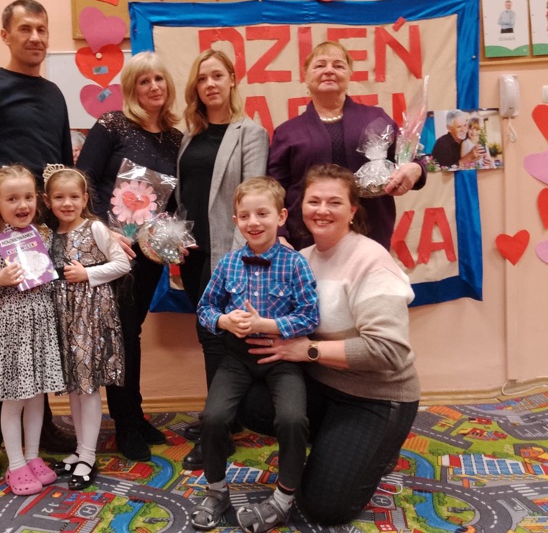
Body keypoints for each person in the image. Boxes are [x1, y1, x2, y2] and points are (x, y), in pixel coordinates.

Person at [244, 164, 420, 526]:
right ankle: (338, 446)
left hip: (375, 397)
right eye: (314, 201)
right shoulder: (303, 259)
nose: (322, 210)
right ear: (301, 206)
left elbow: (389, 352)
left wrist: (308, 350)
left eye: (334, 202)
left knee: (325, 509)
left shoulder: (371, 261)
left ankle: (375, 448)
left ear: (353, 210)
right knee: (242, 398)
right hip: (323, 387)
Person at [0, 0, 75, 488]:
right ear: (6, 35)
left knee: (41, 329)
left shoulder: (54, 95)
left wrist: (70, 222)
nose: (36, 37)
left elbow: (63, 165)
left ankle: (38, 430)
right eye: (25, 28)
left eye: (42, 29)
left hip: (44, 231)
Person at [190, 176, 319, 532]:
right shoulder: (228, 264)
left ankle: (283, 498)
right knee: (213, 417)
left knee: (292, 419)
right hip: (237, 358)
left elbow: (310, 315)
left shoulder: (295, 264)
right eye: (245, 216)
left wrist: (268, 325)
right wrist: (224, 320)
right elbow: (205, 309)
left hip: (281, 357)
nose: (254, 222)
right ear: (235, 221)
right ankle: (217, 491)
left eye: (263, 213)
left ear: (281, 216)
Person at [76, 51, 183, 462]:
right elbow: (83, 182)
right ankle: (125, 423)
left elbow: (174, 200)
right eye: (144, 80)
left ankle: (133, 415)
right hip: (109, 251)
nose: (153, 86)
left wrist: (173, 238)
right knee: (118, 336)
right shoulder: (112, 125)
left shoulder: (175, 138)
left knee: (130, 333)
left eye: (159, 79)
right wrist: (106, 233)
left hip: (148, 255)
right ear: (131, 88)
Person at [176, 49, 269, 470]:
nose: (210, 84)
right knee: (208, 335)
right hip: (193, 252)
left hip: (227, 253)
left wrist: (236, 260)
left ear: (232, 79)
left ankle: (221, 432)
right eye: (202, 78)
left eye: (217, 75)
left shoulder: (251, 132)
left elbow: (253, 199)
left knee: (219, 338)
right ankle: (223, 417)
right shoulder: (190, 134)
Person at [267, 40, 426, 251]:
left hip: (371, 233)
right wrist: (280, 234)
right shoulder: (287, 132)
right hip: (305, 238)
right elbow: (274, 190)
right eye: (320, 65)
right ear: (305, 76)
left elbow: (411, 158)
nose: (329, 71)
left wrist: (416, 169)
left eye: (338, 65)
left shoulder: (376, 119)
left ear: (350, 74)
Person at [0, 165, 66, 496]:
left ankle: (33, 456)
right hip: (11, 330)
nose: (22, 205)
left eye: (28, 197)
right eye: (12, 199)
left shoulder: (44, 235)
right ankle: (16, 464)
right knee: (14, 399)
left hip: (41, 326)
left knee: (37, 397)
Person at [44, 165, 131, 490]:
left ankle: (89, 455)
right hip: (64, 315)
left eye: (74, 197)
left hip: (91, 314)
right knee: (74, 385)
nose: (67, 203)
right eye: (59, 197)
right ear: (48, 201)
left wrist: (88, 274)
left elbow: (123, 263)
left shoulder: (95, 227)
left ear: (85, 198)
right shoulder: (50, 234)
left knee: (88, 384)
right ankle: (81, 450)